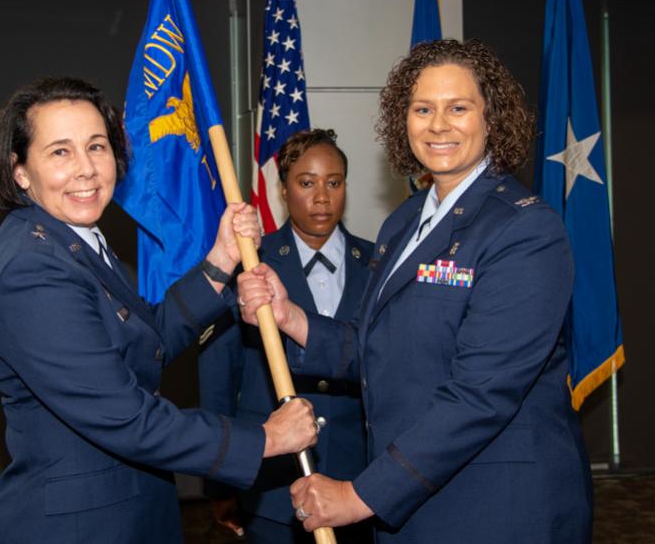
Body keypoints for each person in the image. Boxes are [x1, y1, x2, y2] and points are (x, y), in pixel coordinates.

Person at [236, 39, 593, 542]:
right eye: (423, 108)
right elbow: (378, 348)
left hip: (496, 509)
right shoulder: (404, 222)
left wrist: (360, 495)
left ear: (492, 118)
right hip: (415, 504)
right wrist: (291, 315)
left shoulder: (525, 231)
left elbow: (480, 395)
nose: (438, 124)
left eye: (459, 108)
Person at [0, 76, 318, 543]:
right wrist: (266, 439)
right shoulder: (33, 271)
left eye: (96, 147)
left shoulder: (73, 239)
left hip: (127, 510)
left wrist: (220, 262)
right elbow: (125, 417)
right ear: (20, 171)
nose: (86, 169)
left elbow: (144, 341)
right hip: (82, 528)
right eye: (60, 152)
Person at [198, 129, 373, 543]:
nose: (322, 198)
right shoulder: (249, 263)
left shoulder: (379, 264)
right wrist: (221, 480)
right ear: (282, 189)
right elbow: (220, 378)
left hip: (360, 482)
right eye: (306, 183)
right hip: (273, 485)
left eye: (334, 182)